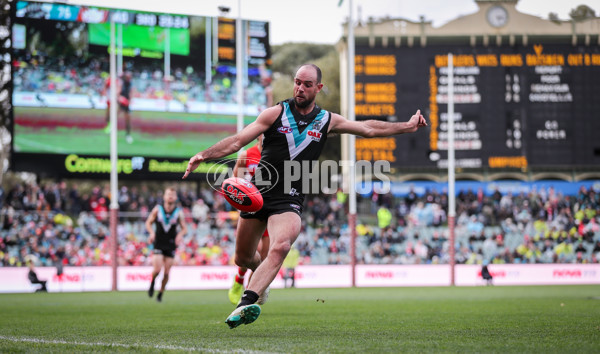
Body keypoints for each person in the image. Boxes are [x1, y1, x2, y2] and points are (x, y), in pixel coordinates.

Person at [182, 63, 427, 328]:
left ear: (318, 88)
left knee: (281, 246)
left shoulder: (326, 120)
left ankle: (246, 302)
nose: (300, 88)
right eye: (297, 82)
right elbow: (238, 141)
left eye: (307, 84)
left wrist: (407, 126)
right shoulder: (275, 113)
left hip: (290, 197)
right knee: (242, 257)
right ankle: (260, 277)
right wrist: (203, 155)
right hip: (258, 192)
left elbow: (367, 128)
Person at [228, 134, 271, 305]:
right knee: (254, 251)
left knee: (265, 258)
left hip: (271, 210)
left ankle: (250, 291)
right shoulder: (247, 155)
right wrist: (241, 201)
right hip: (252, 209)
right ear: (259, 135)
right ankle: (239, 279)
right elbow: (235, 180)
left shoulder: (278, 154)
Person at [145, 187, 188, 302]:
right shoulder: (157, 209)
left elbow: (185, 229)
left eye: (173, 195)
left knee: (167, 272)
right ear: (164, 196)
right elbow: (148, 223)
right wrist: (151, 233)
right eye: (168, 194)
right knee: (157, 270)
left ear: (175, 198)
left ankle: (160, 293)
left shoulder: (178, 212)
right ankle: (153, 282)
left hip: (170, 244)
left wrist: (180, 235)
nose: (170, 196)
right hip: (158, 243)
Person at [104, 71, 134, 144]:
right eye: (127, 77)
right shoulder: (121, 84)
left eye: (130, 77)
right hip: (120, 103)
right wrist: (120, 98)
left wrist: (128, 101)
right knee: (113, 116)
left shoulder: (130, 84)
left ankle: (128, 135)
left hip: (126, 104)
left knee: (128, 121)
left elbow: (131, 94)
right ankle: (110, 127)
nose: (129, 78)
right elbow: (117, 94)